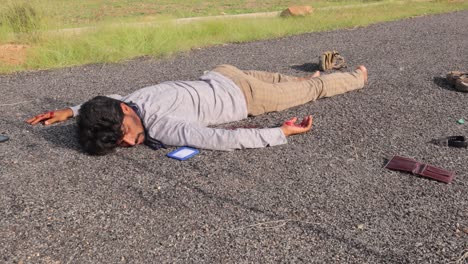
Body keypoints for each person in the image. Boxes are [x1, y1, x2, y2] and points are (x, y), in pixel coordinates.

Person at [26, 64, 368, 155]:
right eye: (121, 144)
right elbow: (110, 97)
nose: (131, 143)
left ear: (124, 112)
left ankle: (357, 78)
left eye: (125, 135)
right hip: (222, 74)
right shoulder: (132, 100)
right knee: (286, 81)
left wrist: (279, 133)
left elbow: (219, 138)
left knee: (311, 90)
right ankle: (305, 79)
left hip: (247, 97)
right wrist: (73, 111)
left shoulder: (159, 126)